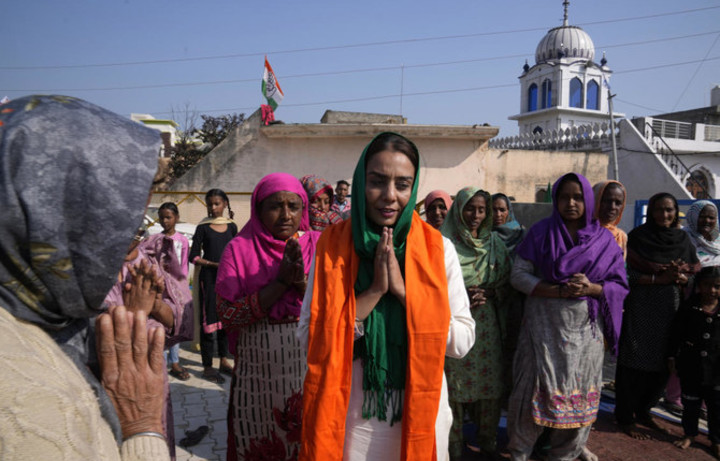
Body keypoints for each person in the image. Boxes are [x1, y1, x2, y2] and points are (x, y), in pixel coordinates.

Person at [0, 95, 169, 459]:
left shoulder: (51, 319)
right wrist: (142, 427)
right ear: (53, 219)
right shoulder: (29, 400)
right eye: (117, 223)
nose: (129, 241)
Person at [297, 132, 475, 461]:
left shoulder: (438, 250)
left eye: (402, 185)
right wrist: (374, 292)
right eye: (377, 182)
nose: (390, 196)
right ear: (361, 183)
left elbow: (462, 342)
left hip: (421, 418)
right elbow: (308, 338)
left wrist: (405, 294)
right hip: (347, 424)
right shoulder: (332, 247)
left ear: (414, 187)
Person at [507, 172, 628, 461]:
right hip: (543, 327)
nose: (571, 203)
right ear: (555, 200)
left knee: (580, 390)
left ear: (588, 201)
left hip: (586, 334)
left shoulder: (604, 241)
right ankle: (520, 451)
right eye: (564, 197)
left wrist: (591, 288)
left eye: (577, 197)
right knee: (532, 388)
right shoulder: (540, 233)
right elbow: (518, 275)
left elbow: (620, 286)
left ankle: (565, 453)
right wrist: (557, 291)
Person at [215, 172, 321, 460]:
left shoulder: (319, 245)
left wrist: (300, 283)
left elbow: (334, 309)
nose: (286, 215)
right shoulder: (239, 250)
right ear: (258, 209)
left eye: (293, 206)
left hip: (308, 372)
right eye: (275, 206)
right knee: (259, 442)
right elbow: (228, 315)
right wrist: (280, 284)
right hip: (257, 375)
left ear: (303, 210)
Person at [103, 224, 193, 459]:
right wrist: (137, 313)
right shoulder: (93, 269)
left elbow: (175, 320)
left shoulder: (149, 261)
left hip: (152, 381)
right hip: (110, 387)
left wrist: (155, 305)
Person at [615, 192, 700, 439]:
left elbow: (693, 274)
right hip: (641, 307)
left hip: (671, 310)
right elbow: (624, 274)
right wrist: (656, 279)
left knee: (664, 362)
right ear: (651, 212)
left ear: (676, 212)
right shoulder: (638, 238)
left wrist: (682, 278)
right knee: (634, 360)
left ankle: (644, 411)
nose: (664, 214)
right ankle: (625, 416)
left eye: (669, 210)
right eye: (659, 209)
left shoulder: (682, 239)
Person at [440, 187, 511, 459]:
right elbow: (431, 285)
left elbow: (509, 284)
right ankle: (454, 447)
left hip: (487, 327)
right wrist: (459, 296)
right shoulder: (443, 245)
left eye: (482, 210)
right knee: (453, 387)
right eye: (470, 208)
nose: (476, 215)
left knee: (489, 386)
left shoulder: (495, 245)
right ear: (459, 209)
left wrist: (491, 293)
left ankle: (488, 443)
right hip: (453, 323)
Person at [668, 266, 720, 458]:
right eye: (706, 285)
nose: (711, 290)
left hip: (717, 370)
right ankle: (689, 434)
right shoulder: (689, 307)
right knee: (690, 404)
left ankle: (716, 440)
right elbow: (676, 334)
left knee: (716, 408)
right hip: (691, 366)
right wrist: (672, 356)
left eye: (717, 286)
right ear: (698, 285)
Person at [189, 189, 237, 383]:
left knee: (225, 319)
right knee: (208, 321)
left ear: (225, 204)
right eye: (210, 204)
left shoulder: (232, 226)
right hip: (208, 280)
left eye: (217, 204)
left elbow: (237, 251)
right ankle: (208, 366)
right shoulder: (203, 227)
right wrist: (213, 264)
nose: (213, 208)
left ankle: (223, 360)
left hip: (228, 280)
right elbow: (193, 256)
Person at [157, 202, 192, 381]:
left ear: (176, 218)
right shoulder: (156, 240)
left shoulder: (182, 240)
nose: (165, 221)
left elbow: (184, 265)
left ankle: (175, 361)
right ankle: (161, 361)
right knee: (161, 323)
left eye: (168, 217)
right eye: (161, 218)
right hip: (160, 288)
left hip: (177, 290)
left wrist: (181, 287)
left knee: (176, 323)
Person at [592, 180, 628, 259]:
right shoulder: (583, 233)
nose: (612, 207)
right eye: (607, 201)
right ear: (595, 200)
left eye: (618, 203)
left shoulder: (621, 236)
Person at [684, 200, 720, 267]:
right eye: (702, 216)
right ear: (693, 216)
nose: (707, 220)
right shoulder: (682, 238)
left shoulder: (718, 240)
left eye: (711, 218)